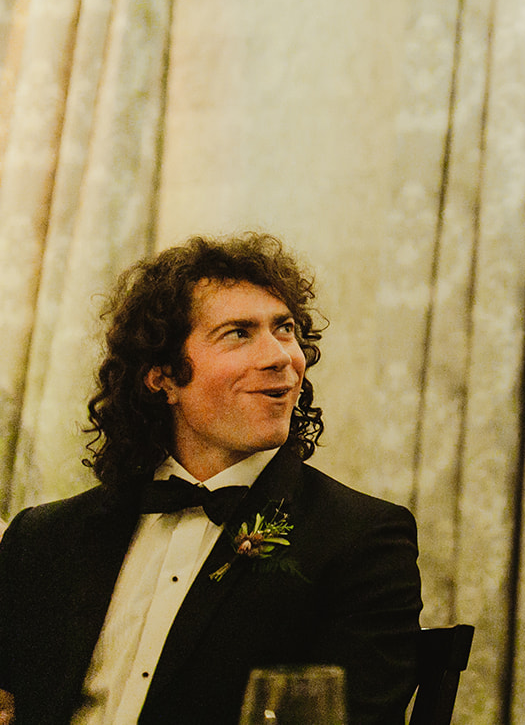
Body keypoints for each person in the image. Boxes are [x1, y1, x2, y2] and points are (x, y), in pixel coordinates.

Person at [0, 234, 422, 725]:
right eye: (238, 333)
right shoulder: (42, 538)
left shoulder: (362, 541)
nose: (281, 356)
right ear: (162, 377)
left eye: (284, 329)